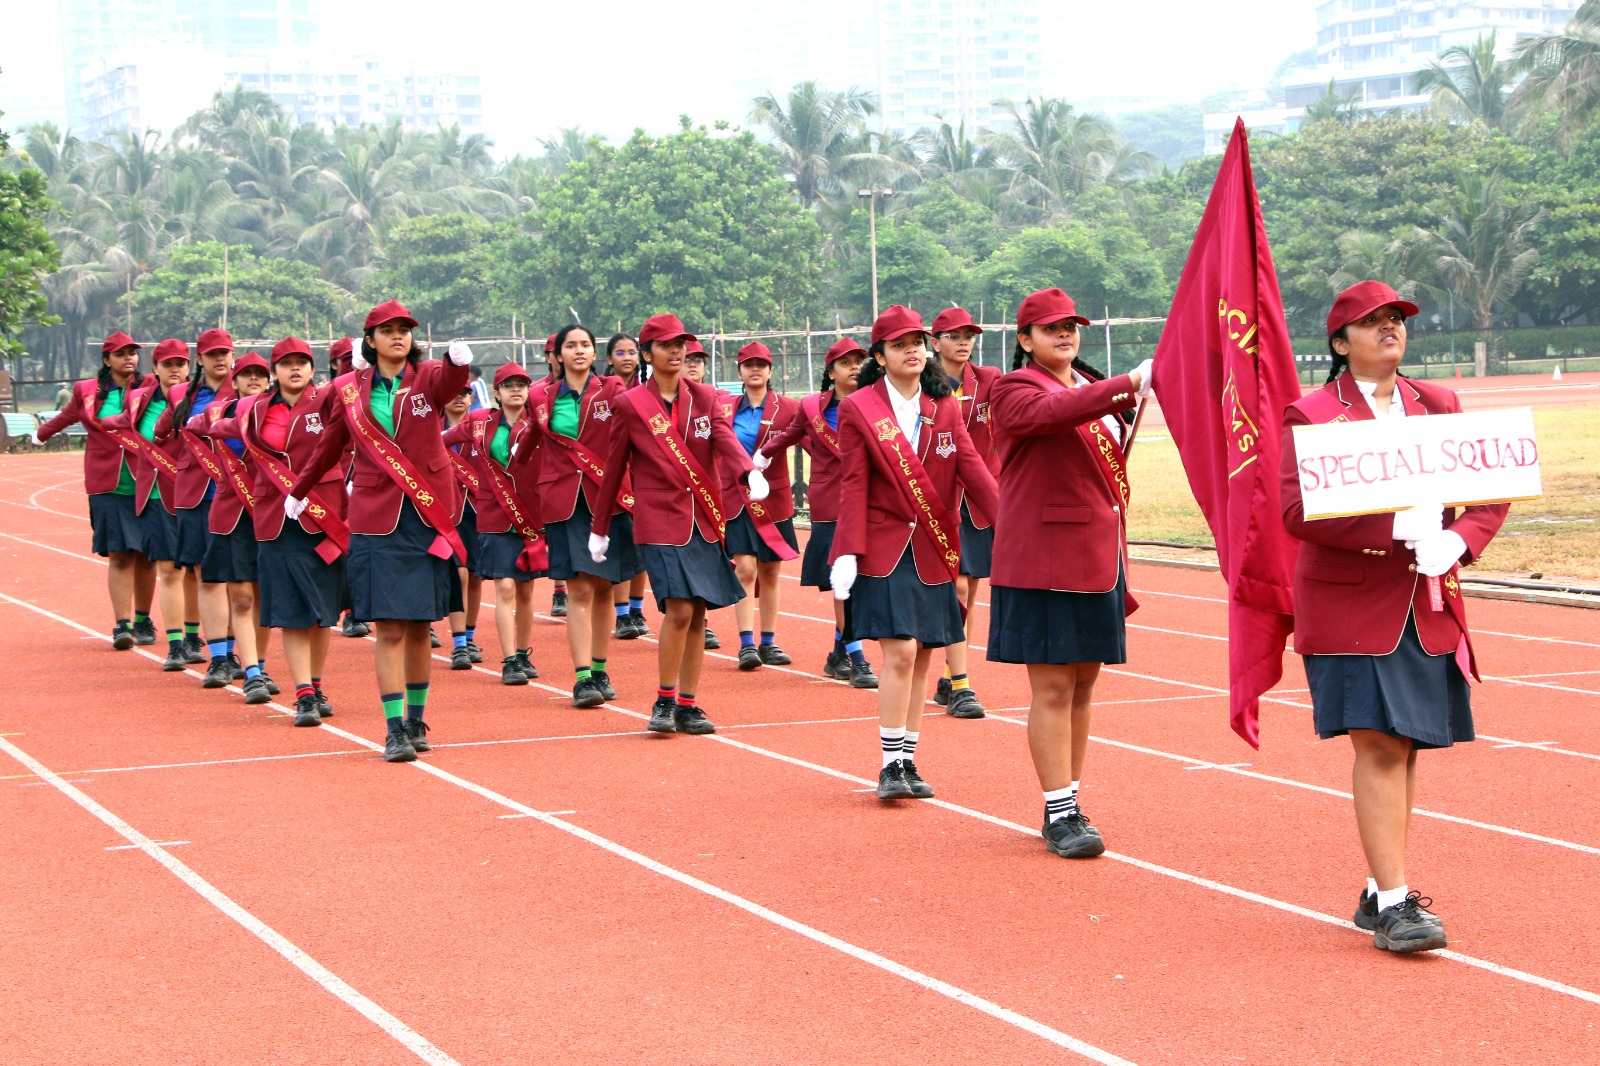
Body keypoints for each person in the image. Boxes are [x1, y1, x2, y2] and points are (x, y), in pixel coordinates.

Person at [1281, 280, 1508, 953]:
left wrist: (1458, 541)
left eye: (1397, 320)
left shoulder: (1438, 404)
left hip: (1426, 602)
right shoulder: (1315, 413)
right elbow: (1297, 514)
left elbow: (1492, 495)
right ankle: (1396, 902)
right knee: (1378, 743)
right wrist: (1389, 525)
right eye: (1372, 322)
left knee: (1404, 746)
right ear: (1339, 341)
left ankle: (1382, 887)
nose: (1390, 330)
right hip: (1351, 601)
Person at [986, 287, 1151, 858]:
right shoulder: (1015, 388)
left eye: (1072, 326)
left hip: (1098, 558)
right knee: (1053, 686)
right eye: (1051, 328)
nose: (1064, 335)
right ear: (1025, 340)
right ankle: (1059, 811)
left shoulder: (1087, 386)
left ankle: (1073, 800)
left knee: (1083, 684)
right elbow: (1049, 414)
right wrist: (1125, 385)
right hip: (1045, 560)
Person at [286, 301, 472, 762]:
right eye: (386, 331)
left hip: (427, 516)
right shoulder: (347, 389)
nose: (397, 337)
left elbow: (451, 382)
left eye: (404, 330)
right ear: (369, 340)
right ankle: (393, 729)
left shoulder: (427, 377)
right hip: (375, 518)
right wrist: (299, 490)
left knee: (418, 626)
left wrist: (458, 361)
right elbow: (329, 445)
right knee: (389, 627)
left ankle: (415, 718)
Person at [830, 306, 998, 802]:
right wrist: (846, 551)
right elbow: (854, 483)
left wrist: (1011, 523)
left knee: (924, 652)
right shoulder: (860, 407)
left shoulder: (943, 406)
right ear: (880, 356)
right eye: (900, 343)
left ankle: (908, 757)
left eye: (917, 342)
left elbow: (972, 470)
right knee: (899, 651)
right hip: (883, 548)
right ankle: (888, 765)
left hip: (933, 546)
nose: (913, 350)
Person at [589, 313, 767, 735]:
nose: (676, 351)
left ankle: (688, 703)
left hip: (704, 520)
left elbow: (723, 438)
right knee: (680, 608)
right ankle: (664, 700)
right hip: (657, 521)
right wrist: (599, 527)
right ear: (647, 353)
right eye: (666, 345)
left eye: (680, 344)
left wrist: (746, 471)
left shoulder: (706, 397)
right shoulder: (630, 404)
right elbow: (614, 468)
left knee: (699, 611)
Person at [199, 341, 345, 726]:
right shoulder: (254, 409)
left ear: (313, 369)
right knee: (294, 611)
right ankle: (304, 694)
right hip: (276, 520)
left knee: (323, 611)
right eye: (286, 364)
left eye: (302, 363)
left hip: (323, 515)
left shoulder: (328, 402)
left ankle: (316, 682)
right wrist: (201, 421)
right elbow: (213, 424)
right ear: (274, 371)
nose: (295, 369)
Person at [522, 324, 643, 707]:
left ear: (595, 354)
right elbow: (529, 441)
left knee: (604, 588)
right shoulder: (540, 395)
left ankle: (601, 666)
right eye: (570, 346)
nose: (578, 351)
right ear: (557, 354)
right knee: (579, 588)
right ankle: (582, 677)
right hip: (563, 500)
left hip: (607, 498)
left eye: (585, 345)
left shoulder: (614, 390)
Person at [760, 336, 878, 688]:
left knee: (864, 581)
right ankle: (857, 657)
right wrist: (759, 457)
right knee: (843, 584)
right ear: (831, 371)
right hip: (830, 505)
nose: (855, 367)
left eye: (860, 360)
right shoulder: (811, 406)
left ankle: (837, 653)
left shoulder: (876, 403)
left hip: (871, 501)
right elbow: (790, 435)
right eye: (846, 362)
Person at [34, 332, 162, 647]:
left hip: (148, 484)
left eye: (133, 353)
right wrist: (42, 434)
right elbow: (67, 416)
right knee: (119, 554)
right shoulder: (87, 391)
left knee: (147, 556)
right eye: (121, 354)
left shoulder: (150, 388)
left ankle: (144, 620)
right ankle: (122, 625)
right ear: (107, 360)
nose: (129, 358)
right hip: (107, 484)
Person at [443, 362, 546, 686]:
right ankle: (509, 659)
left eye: (521, 384)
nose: (516, 389)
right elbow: (439, 442)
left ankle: (522, 651)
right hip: (494, 515)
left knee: (527, 590)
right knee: (504, 586)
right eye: (508, 385)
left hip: (532, 516)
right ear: (497, 392)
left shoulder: (541, 423)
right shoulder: (478, 422)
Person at [103, 339, 198, 673]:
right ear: (154, 369)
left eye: (180, 364)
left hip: (197, 495)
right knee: (169, 570)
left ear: (189, 367)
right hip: (158, 496)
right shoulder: (138, 399)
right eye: (167, 364)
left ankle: (193, 636)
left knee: (197, 572)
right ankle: (175, 646)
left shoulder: (200, 399)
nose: (175, 370)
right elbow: (113, 423)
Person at [188, 353, 273, 702]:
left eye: (260, 374)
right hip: (231, 512)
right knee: (241, 596)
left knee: (263, 594)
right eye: (246, 374)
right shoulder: (218, 412)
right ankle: (250, 671)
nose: (253, 379)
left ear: (269, 380)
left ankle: (261, 664)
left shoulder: (281, 413)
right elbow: (188, 426)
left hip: (270, 513)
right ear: (234, 381)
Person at [929, 307, 1000, 719]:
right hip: (937, 499)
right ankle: (960, 685)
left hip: (978, 499)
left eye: (969, 334)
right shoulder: (923, 382)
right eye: (954, 335)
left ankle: (955, 675)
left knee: (970, 590)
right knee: (956, 588)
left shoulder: (989, 379)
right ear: (935, 341)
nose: (963, 341)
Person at [156, 328, 238, 669]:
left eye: (225, 353)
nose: (220, 359)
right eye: (212, 354)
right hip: (197, 495)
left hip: (238, 495)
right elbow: (161, 431)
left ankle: (238, 655)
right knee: (207, 576)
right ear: (200, 360)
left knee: (239, 580)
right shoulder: (181, 394)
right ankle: (218, 655)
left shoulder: (249, 385)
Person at [725, 342, 801, 669]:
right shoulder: (726, 409)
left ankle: (768, 642)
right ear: (739, 371)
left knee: (770, 572)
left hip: (775, 500)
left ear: (770, 371)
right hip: (737, 499)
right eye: (748, 365)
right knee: (745, 568)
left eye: (761, 364)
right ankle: (745, 644)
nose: (755, 370)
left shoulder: (788, 408)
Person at [440, 382, 486, 671]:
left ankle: (469, 637)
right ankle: (458, 643)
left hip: (479, 510)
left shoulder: (481, 428)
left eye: (464, 393)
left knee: (476, 575)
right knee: (459, 574)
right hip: (446, 512)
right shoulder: (429, 428)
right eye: (453, 392)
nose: (459, 397)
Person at [328, 337, 370, 640]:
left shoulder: (377, 386)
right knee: (345, 546)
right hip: (339, 478)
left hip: (372, 476)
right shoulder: (329, 393)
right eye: (344, 359)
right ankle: (350, 611)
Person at [680, 341, 720, 650]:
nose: (693, 364)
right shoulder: (650, 404)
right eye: (688, 358)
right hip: (670, 504)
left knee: (703, 566)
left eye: (699, 360)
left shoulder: (710, 400)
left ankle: (703, 621)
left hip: (707, 498)